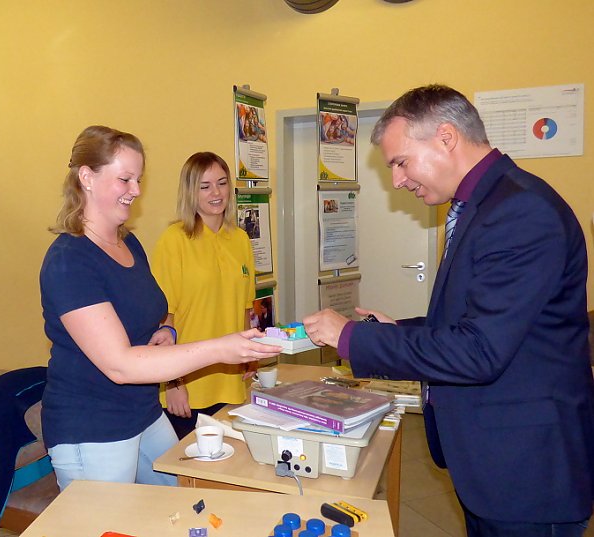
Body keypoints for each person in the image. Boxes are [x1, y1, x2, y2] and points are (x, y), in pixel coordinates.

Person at [302, 84, 594, 537]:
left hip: (527, 469)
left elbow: (479, 350)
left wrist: (352, 338)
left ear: (445, 137)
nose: (397, 180)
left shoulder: (520, 212)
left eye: (400, 162)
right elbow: (474, 320)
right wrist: (397, 328)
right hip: (493, 460)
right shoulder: (481, 205)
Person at [39, 125, 281, 491]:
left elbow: (154, 317)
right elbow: (119, 364)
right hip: (94, 425)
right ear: (87, 177)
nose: (136, 191)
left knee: (183, 499)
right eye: (125, 179)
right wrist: (220, 348)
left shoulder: (128, 243)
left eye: (138, 179)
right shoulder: (69, 260)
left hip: (143, 411)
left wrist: (166, 332)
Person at [150, 152, 258, 439]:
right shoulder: (174, 240)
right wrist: (173, 383)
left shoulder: (240, 240)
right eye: (205, 185)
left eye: (222, 183)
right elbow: (164, 320)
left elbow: (245, 310)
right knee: (188, 475)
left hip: (231, 381)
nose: (216, 193)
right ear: (190, 191)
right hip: (189, 384)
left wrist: (251, 358)